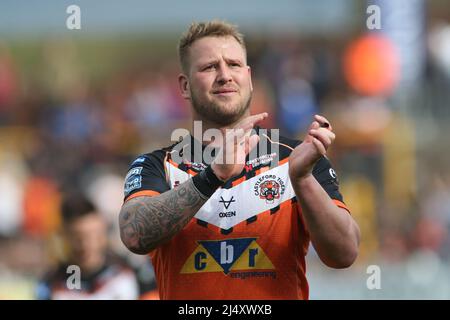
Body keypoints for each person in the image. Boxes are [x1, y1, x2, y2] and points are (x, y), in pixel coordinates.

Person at [119, 20, 360, 300]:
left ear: (249, 77)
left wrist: (303, 180)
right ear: (184, 86)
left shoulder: (299, 160)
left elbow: (344, 254)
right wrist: (213, 175)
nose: (224, 75)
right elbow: (134, 235)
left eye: (233, 65)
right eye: (209, 67)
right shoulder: (157, 165)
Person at [37, 192, 139, 299]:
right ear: (64, 237)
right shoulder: (51, 285)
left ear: (103, 233)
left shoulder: (128, 274)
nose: (85, 245)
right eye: (77, 237)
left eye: (92, 235)